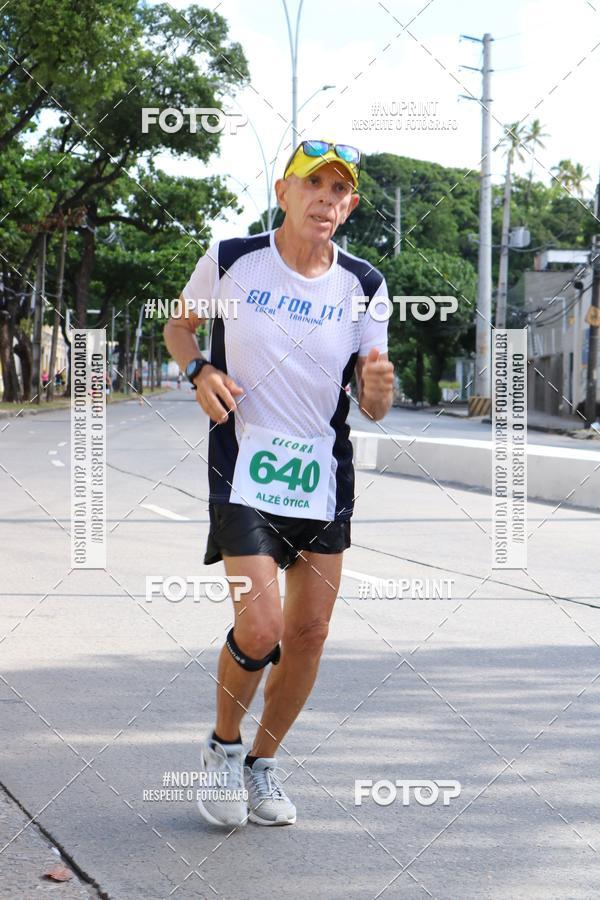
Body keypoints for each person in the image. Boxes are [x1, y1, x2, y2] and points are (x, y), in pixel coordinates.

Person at [164, 139, 394, 828]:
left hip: (322, 471)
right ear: (283, 191)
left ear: (348, 207)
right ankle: (223, 749)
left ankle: (263, 764)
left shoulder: (364, 285)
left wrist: (379, 389)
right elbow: (180, 327)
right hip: (244, 464)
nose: (325, 199)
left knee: (311, 631)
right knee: (259, 626)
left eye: (338, 191)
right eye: (312, 185)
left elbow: (373, 394)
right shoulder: (234, 259)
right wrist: (199, 369)